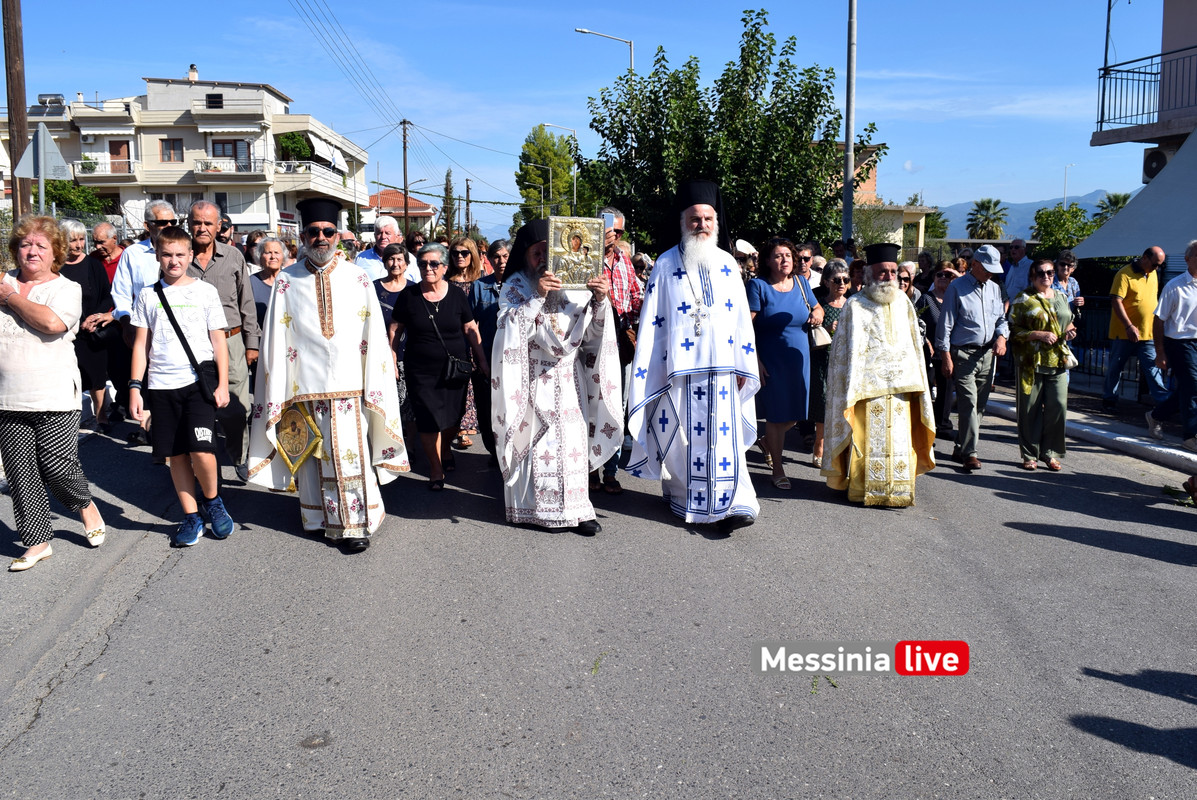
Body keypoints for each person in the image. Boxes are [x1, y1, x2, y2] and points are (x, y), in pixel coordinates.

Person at [248, 198, 410, 552]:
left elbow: (373, 334)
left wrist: (376, 379)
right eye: (313, 232)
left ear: (338, 235)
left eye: (328, 231)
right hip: (302, 386)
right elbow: (276, 335)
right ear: (303, 236)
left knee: (347, 453)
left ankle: (354, 526)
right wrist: (279, 384)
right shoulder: (287, 281)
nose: (321, 238)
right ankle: (318, 517)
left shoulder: (357, 277)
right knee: (311, 458)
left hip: (349, 386)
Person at [627, 180, 760, 533]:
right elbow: (653, 323)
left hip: (723, 372)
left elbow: (740, 320)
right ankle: (686, 497)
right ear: (683, 222)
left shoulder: (729, 264)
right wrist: (655, 370)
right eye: (694, 219)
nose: (701, 225)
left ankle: (735, 503)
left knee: (725, 436)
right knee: (685, 437)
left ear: (716, 222)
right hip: (680, 373)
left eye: (707, 219)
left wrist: (744, 363)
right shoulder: (665, 264)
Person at [491, 220, 620, 534]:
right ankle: (536, 511)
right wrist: (536, 295)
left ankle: (579, 510)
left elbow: (591, 334)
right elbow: (508, 328)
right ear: (525, 255)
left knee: (571, 444)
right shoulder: (516, 285)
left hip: (568, 379)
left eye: (550, 252)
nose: (544, 260)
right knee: (538, 447)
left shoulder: (576, 286)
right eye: (538, 253)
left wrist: (601, 301)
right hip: (531, 379)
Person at [0, 216, 107, 571]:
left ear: (55, 254)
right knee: (20, 472)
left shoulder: (66, 289)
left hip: (54, 393)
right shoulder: (4, 282)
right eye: (25, 244)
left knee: (58, 466)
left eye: (40, 246)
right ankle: (36, 542)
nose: (31, 251)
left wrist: (11, 297)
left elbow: (51, 324)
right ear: (15, 250)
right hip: (7, 395)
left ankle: (85, 505)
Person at [127, 226, 234, 546]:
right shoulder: (147, 295)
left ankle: (213, 502)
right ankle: (191, 517)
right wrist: (135, 387)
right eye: (167, 255)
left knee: (202, 449)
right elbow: (140, 345)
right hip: (160, 387)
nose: (173, 261)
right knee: (176, 455)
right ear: (157, 257)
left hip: (197, 384)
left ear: (190, 256)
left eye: (179, 255)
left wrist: (223, 384)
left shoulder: (204, 291)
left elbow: (219, 341)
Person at [822, 243, 935, 506]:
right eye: (883, 272)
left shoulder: (904, 303)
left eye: (893, 272)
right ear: (870, 274)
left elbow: (914, 347)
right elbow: (842, 355)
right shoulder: (855, 305)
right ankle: (862, 489)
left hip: (901, 389)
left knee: (898, 443)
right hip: (865, 390)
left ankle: (898, 492)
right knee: (867, 444)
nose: (889, 277)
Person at [391, 243, 487, 490]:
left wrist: (483, 362)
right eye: (423, 264)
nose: (428, 268)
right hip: (420, 371)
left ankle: (445, 449)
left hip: (455, 369)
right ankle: (435, 468)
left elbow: (470, 328)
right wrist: (391, 357)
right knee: (428, 418)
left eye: (434, 263)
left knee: (453, 417)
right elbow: (395, 329)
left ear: (445, 267)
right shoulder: (409, 296)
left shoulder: (456, 295)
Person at [186, 200, 260, 481]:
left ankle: (239, 455)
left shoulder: (233, 256)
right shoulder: (181, 257)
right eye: (197, 222)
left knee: (237, 409)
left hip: (231, 342)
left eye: (208, 223)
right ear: (189, 224)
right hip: (193, 345)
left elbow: (246, 301)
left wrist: (252, 342)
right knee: (198, 406)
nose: (202, 228)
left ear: (219, 226)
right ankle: (202, 461)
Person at [746, 237, 822, 489]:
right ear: (767, 260)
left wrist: (817, 313)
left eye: (788, 255)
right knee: (777, 416)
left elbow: (817, 307)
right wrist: (754, 360)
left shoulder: (801, 283)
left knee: (799, 412)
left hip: (799, 359)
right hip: (770, 359)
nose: (785, 260)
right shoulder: (758, 286)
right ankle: (777, 468)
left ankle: (768, 441)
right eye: (778, 256)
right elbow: (746, 327)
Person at [936, 244, 1009, 471]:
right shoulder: (956, 288)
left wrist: (1002, 338)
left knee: (979, 406)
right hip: (964, 353)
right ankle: (970, 453)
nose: (989, 273)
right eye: (986, 268)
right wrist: (945, 355)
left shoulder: (994, 289)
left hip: (987, 353)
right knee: (968, 402)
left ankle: (961, 446)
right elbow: (945, 325)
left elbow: (1001, 320)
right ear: (975, 264)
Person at [593, 206, 645, 494]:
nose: (615, 235)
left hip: (621, 342)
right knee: (591, 406)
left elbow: (636, 296)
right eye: (611, 228)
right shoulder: (583, 257)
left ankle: (611, 471)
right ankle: (589, 470)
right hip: (589, 342)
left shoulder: (624, 259)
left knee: (618, 407)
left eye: (621, 231)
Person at [1009, 258, 1077, 471]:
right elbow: (1013, 330)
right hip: (1031, 362)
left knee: (1058, 407)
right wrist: (1037, 334)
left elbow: (1068, 320)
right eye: (1041, 273)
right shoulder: (1023, 299)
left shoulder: (1062, 296)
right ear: (1032, 276)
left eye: (1049, 272)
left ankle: (1050, 453)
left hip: (1057, 361)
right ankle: (1030, 454)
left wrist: (1070, 331)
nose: (1046, 276)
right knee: (1030, 409)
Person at [1102, 246, 1174, 427]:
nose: (1157, 268)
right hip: (1125, 332)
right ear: (1145, 258)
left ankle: (1163, 402)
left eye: (1160, 265)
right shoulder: (1124, 274)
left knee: (1153, 367)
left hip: (1147, 332)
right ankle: (1109, 399)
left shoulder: (1153, 274)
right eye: (1155, 264)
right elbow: (1116, 301)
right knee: (1116, 366)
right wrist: (1129, 326)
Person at [59, 219, 116, 432]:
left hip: (91, 331)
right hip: (65, 332)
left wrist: (96, 317)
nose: (78, 245)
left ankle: (101, 415)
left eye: (81, 239)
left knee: (97, 376)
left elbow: (106, 296)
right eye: (72, 240)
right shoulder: (56, 266)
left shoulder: (93, 265)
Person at [467, 239, 509, 463]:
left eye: (505, 256)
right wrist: (479, 359)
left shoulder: (520, 285)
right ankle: (494, 451)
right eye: (496, 257)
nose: (501, 261)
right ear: (489, 259)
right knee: (488, 411)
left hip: (513, 360)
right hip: (487, 358)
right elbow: (471, 325)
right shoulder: (479, 287)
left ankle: (509, 451)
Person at [1153, 239, 1197, 452]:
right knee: (1193, 385)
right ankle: (1190, 435)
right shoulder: (1175, 286)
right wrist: (1160, 352)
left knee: (1189, 388)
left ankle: (1156, 415)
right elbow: (1159, 319)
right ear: (1187, 259)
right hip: (1179, 342)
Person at [810, 259, 850, 468]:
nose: (841, 283)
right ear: (826, 282)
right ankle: (820, 444)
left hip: (846, 360)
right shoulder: (820, 305)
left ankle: (839, 446)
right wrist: (827, 326)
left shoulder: (853, 304)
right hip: (823, 358)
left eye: (846, 279)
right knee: (823, 401)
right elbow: (809, 330)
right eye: (837, 279)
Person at [447, 237, 484, 449]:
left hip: (477, 338)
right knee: (460, 384)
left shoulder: (481, 281)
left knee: (474, 384)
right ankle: (461, 428)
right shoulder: (445, 281)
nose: (460, 257)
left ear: (472, 255)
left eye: (464, 253)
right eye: (455, 253)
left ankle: (471, 423)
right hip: (455, 339)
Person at [916, 262, 960, 438]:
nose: (943, 278)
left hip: (950, 351)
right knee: (927, 390)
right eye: (939, 274)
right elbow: (916, 322)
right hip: (931, 352)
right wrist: (926, 340)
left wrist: (957, 277)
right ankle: (925, 425)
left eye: (947, 275)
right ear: (933, 277)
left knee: (947, 389)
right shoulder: (926, 299)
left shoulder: (957, 299)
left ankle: (943, 424)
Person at [374, 243, 414, 428]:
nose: (395, 263)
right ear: (384, 262)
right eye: (390, 258)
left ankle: (411, 448)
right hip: (380, 353)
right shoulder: (373, 289)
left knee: (410, 404)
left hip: (411, 353)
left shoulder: (415, 290)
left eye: (399, 259)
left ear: (406, 263)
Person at [356, 216, 417, 282]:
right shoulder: (361, 258)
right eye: (379, 233)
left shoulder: (410, 259)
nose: (383, 237)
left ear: (396, 235)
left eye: (387, 233)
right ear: (374, 236)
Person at [249, 236, 286, 328]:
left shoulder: (291, 281)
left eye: (277, 253)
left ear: (283, 256)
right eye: (268, 253)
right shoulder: (251, 282)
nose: (273, 257)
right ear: (260, 256)